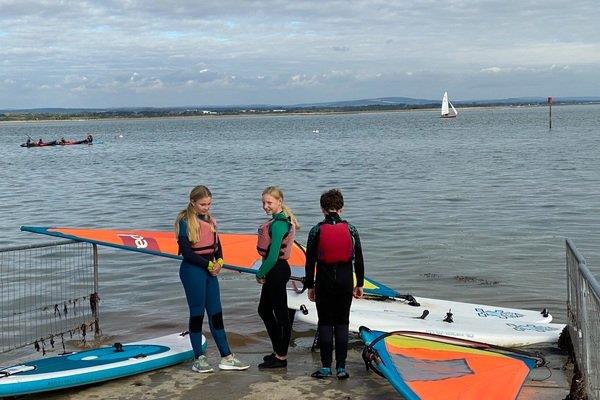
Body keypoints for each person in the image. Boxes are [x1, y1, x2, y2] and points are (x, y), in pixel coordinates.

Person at [174, 185, 249, 373]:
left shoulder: (210, 221)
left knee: (216, 313)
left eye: (209, 204)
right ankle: (199, 358)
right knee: (197, 313)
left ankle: (226, 357)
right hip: (193, 271)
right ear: (193, 202)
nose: (206, 208)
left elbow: (218, 247)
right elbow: (187, 253)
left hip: (210, 271)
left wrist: (220, 262)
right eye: (202, 204)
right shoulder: (185, 221)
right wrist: (208, 265)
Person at [304, 189, 364, 380]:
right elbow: (359, 260)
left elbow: (310, 261)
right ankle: (341, 368)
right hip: (346, 281)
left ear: (322, 209)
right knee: (342, 322)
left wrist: (310, 286)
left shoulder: (316, 230)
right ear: (341, 208)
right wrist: (359, 284)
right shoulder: (351, 229)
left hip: (324, 282)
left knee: (325, 322)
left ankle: (325, 368)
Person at [255, 186, 299, 369]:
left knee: (280, 314)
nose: (266, 206)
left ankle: (281, 357)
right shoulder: (276, 222)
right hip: (275, 270)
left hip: (277, 270)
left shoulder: (280, 224)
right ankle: (278, 350)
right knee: (264, 310)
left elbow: (273, 256)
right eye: (264, 202)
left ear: (279, 202)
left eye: (269, 202)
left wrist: (260, 272)